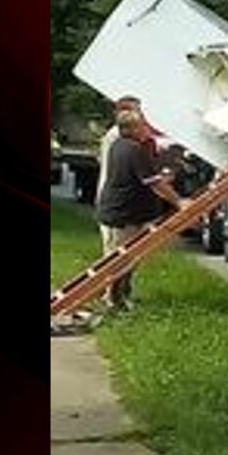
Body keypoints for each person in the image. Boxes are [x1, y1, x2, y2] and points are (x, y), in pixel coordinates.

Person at [94, 108, 184, 310]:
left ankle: (117, 299)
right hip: (122, 215)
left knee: (123, 259)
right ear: (133, 128)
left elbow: (144, 177)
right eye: (143, 125)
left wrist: (161, 177)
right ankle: (112, 301)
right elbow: (153, 184)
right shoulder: (133, 149)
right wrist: (179, 201)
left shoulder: (122, 145)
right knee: (120, 261)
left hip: (121, 212)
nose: (146, 128)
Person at [94, 95, 141, 208]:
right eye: (136, 110)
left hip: (110, 196)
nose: (139, 115)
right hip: (116, 199)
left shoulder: (113, 133)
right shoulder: (119, 134)